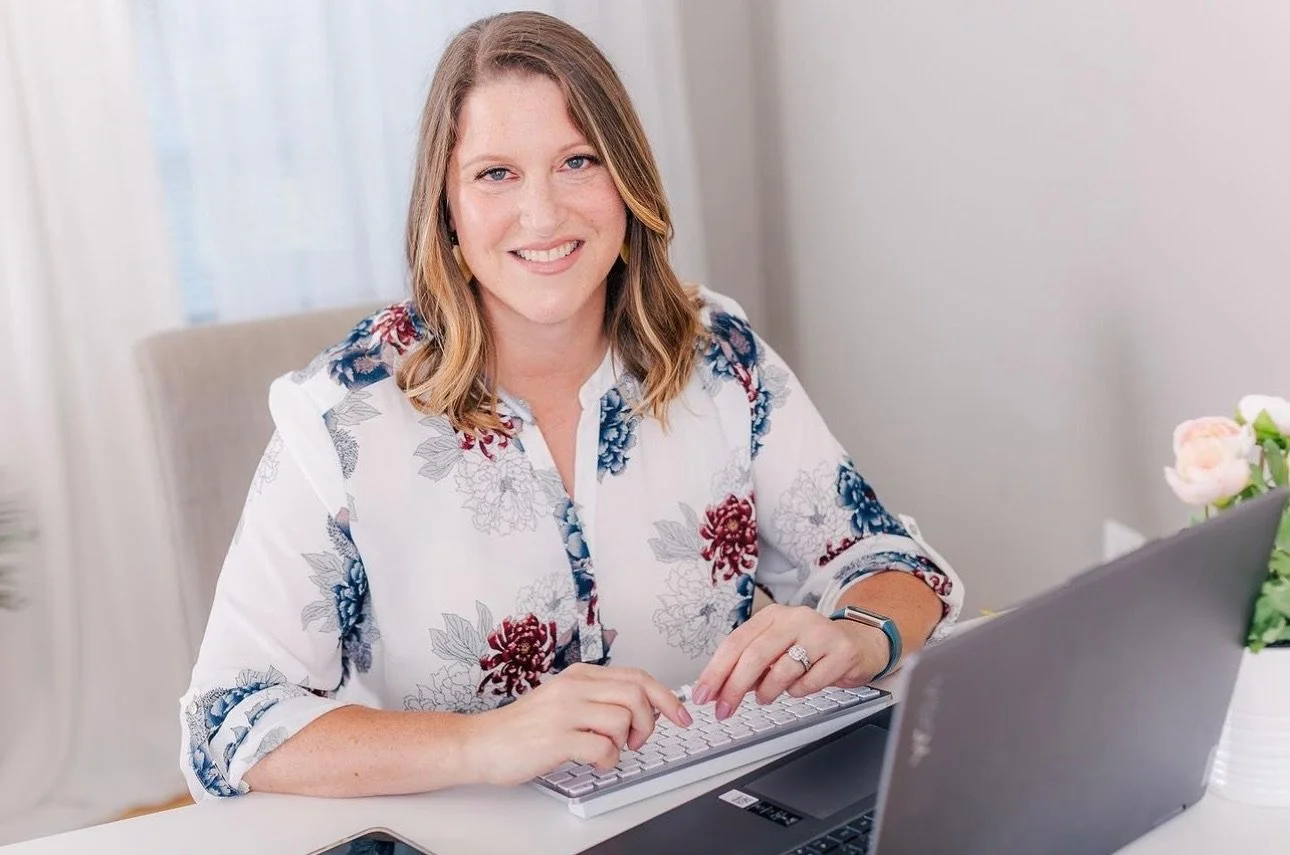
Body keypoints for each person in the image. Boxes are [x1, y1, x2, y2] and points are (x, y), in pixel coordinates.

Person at [179, 10, 963, 802]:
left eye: (578, 161)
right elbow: (230, 723)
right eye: (496, 174)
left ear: (628, 184)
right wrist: (486, 742)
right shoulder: (340, 418)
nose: (545, 214)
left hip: (720, 819)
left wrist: (863, 634)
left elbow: (889, 562)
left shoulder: (719, 358)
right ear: (446, 209)